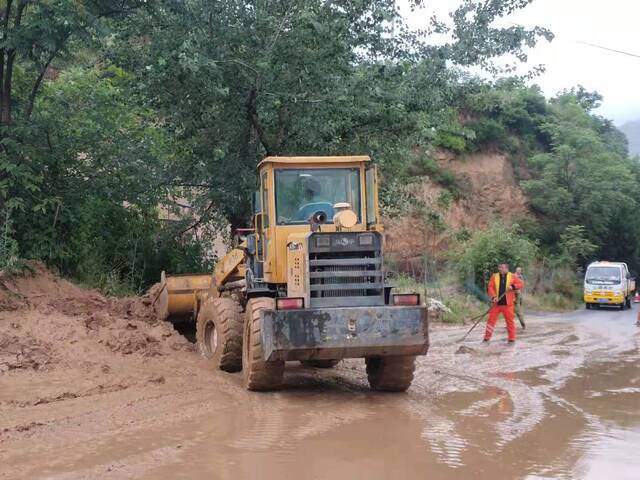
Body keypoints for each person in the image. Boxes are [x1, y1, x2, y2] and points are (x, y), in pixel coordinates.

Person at [484, 263, 524, 344]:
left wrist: (512, 287)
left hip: (508, 304)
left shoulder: (512, 276)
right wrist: (493, 297)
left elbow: (521, 284)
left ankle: (511, 339)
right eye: (499, 267)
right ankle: (486, 338)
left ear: (507, 269)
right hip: (496, 304)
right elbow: (490, 287)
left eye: (502, 267)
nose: (500, 269)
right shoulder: (494, 276)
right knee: (490, 321)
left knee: (510, 322)